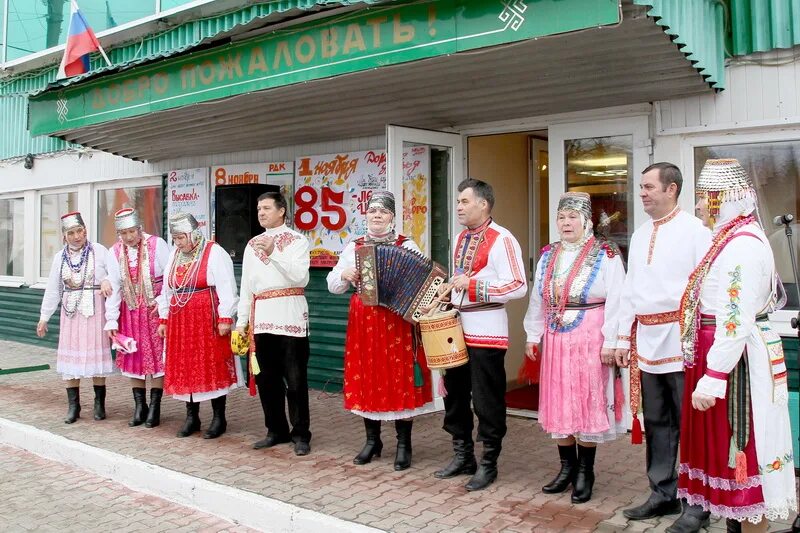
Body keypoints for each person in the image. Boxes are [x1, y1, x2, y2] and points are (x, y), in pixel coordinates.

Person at [675, 158, 796, 532]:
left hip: (735, 362)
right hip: (728, 354)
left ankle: (748, 522)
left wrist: (713, 376)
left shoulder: (740, 246)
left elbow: (734, 318)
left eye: (703, 198)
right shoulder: (728, 240)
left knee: (743, 454)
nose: (698, 207)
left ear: (721, 200)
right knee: (730, 461)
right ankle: (736, 523)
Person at [615, 163, 712, 529]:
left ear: (672, 189)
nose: (642, 193)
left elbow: (705, 287)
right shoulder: (640, 235)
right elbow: (630, 290)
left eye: (649, 187)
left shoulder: (696, 231)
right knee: (657, 421)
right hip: (647, 341)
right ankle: (662, 493)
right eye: (641, 187)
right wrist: (623, 337)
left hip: (682, 338)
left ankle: (696, 503)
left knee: (691, 424)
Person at [523, 192, 626, 503]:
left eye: (572, 217)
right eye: (561, 217)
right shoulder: (548, 255)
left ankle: (585, 471)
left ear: (587, 221)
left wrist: (613, 340)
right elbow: (538, 297)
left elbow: (619, 299)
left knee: (586, 399)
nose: (566, 223)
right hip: (556, 336)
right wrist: (533, 333)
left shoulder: (604, 253)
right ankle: (566, 468)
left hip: (590, 334)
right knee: (560, 399)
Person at [327, 190, 435, 471]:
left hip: (397, 321)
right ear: (366, 216)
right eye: (372, 211)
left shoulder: (407, 244)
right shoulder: (354, 247)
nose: (377, 216)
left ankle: (403, 444)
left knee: (399, 378)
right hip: (365, 321)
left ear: (392, 217)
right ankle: (372, 441)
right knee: (368, 376)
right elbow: (332, 284)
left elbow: (423, 280)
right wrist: (343, 275)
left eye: (383, 212)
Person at [434, 178, 527, 491]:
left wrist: (472, 286)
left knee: (486, 400)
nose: (459, 207)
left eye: (464, 201)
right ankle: (463, 455)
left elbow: (518, 285)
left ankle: (489, 462)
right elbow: (459, 279)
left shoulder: (503, 239)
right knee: (455, 395)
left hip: (487, 328)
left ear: (483, 204)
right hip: (457, 327)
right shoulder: (460, 237)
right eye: (458, 201)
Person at [236, 191, 312, 456]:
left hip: (290, 317)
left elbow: (300, 277)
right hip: (261, 319)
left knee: (295, 380)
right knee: (266, 380)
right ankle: (275, 429)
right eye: (259, 208)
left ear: (282, 211)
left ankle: (301, 434)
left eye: (266, 207)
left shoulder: (297, 241)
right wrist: (241, 321)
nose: (261, 213)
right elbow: (246, 286)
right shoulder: (251, 244)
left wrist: (274, 253)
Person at [157, 212, 241, 439]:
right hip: (180, 319)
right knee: (185, 365)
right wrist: (163, 318)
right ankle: (192, 417)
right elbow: (167, 289)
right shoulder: (174, 254)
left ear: (194, 234)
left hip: (206, 316)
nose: (178, 243)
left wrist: (225, 317)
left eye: (181, 237)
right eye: (175, 238)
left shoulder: (214, 252)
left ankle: (218, 417)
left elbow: (227, 286)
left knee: (210, 363)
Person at [37, 212, 118, 423]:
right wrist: (44, 316)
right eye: (71, 233)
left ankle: (99, 404)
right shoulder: (59, 257)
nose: (76, 236)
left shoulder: (100, 251)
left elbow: (116, 274)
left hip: (94, 311)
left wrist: (107, 280)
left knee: (95, 358)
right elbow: (53, 288)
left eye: (79, 231)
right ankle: (74, 406)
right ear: (64, 236)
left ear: (85, 231)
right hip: (71, 314)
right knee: (71, 359)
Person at [105, 208, 171, 428]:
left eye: (132, 231)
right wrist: (111, 319)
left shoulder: (157, 244)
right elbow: (114, 286)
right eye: (123, 233)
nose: (128, 237)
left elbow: (169, 279)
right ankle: (139, 406)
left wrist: (163, 308)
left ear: (139, 228)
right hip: (130, 311)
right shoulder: (114, 252)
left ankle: (155, 407)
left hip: (153, 311)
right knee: (135, 358)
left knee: (157, 359)